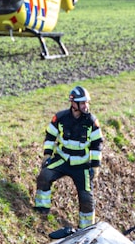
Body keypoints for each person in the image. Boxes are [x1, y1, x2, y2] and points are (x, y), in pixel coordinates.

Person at [33, 86, 103, 229]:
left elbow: (97, 144)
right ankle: (42, 209)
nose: (86, 106)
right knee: (44, 176)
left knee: (86, 199)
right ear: (73, 104)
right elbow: (50, 136)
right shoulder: (60, 118)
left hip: (82, 165)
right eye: (83, 103)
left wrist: (95, 166)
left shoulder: (92, 121)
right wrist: (47, 154)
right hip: (62, 160)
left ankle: (86, 228)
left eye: (87, 103)